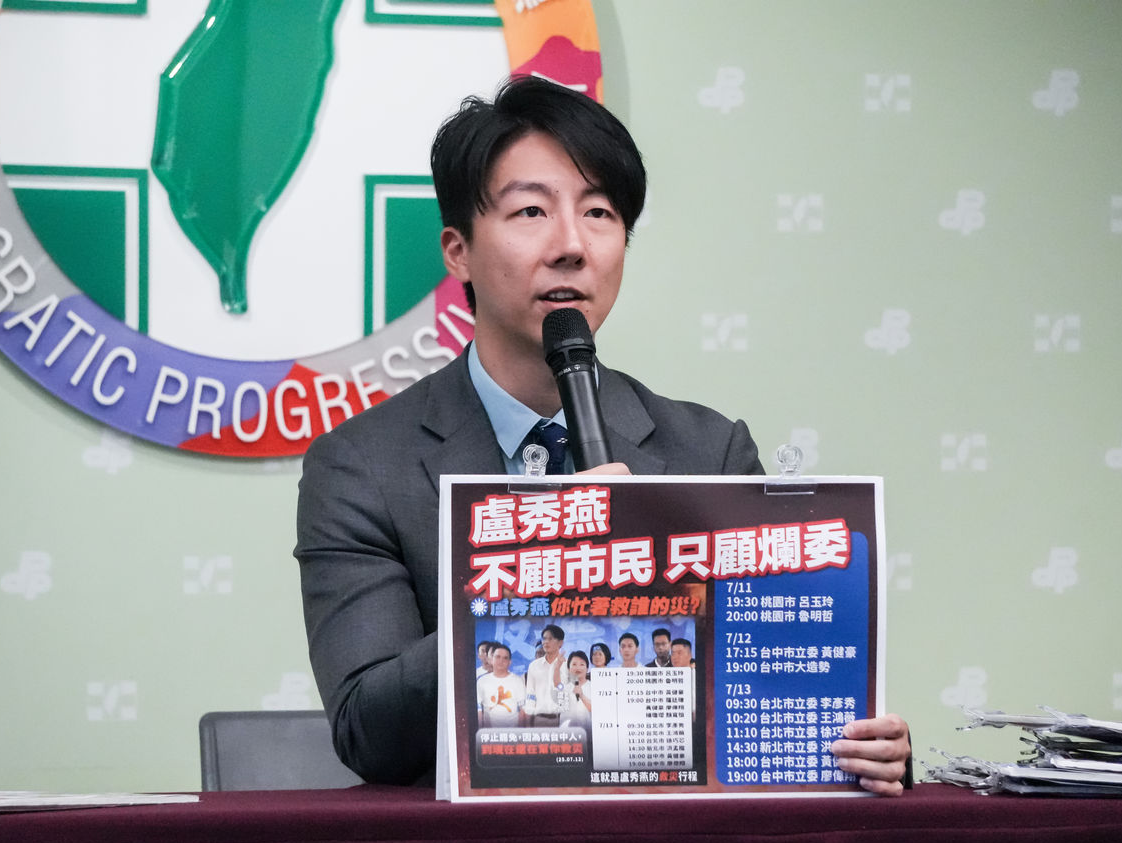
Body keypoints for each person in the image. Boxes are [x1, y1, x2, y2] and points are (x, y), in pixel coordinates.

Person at [295, 75, 911, 794]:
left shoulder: (707, 451)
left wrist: (864, 747)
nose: (571, 245)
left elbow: (764, 701)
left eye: (599, 213)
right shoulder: (363, 466)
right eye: (531, 210)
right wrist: (554, 561)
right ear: (458, 251)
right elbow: (367, 731)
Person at [525, 624, 566, 726]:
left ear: (560, 643)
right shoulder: (534, 666)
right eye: (544, 638)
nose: (546, 642)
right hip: (539, 719)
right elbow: (530, 694)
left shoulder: (567, 665)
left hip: (561, 719)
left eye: (550, 639)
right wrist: (529, 721)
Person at [476, 643, 526, 728]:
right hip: (489, 732)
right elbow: (479, 710)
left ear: (510, 662)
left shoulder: (518, 681)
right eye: (497, 657)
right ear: (491, 660)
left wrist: (519, 732)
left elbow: (523, 710)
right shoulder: (482, 681)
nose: (501, 661)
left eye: (505, 658)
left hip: (512, 731)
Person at [559, 650, 592, 730]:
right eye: (574, 664)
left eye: (582, 664)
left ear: (587, 668)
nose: (578, 668)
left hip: (588, 733)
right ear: (568, 668)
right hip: (568, 733)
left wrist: (582, 696)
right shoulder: (564, 689)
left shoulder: (594, 687)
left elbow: (598, 711)